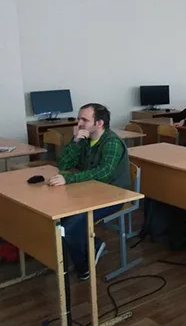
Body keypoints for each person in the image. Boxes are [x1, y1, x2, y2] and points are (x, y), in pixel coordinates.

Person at [48, 103, 130, 280]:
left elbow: (103, 173)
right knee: (58, 220)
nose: (79, 123)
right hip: (89, 193)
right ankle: (93, 245)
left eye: (84, 120)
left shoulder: (112, 143)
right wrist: (75, 141)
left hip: (112, 196)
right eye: (79, 119)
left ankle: (83, 266)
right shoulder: (84, 140)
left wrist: (69, 179)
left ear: (99, 123)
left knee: (69, 227)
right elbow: (63, 164)